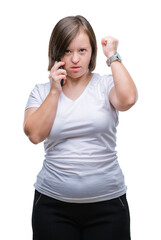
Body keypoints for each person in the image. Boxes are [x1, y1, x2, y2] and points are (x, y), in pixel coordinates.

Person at [24, 15, 137, 240]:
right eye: (67, 51)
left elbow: (128, 100)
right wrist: (55, 90)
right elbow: (35, 134)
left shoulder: (105, 85)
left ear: (92, 52)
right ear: (57, 53)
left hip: (108, 206)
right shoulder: (41, 91)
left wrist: (112, 56)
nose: (75, 59)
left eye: (82, 51)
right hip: (53, 207)